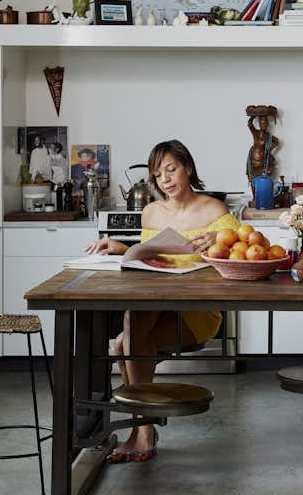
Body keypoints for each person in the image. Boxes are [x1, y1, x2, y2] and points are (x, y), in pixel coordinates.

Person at [84, 139, 239, 463]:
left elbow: (240, 252)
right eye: (158, 174)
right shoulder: (151, 212)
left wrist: (220, 240)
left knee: (124, 342)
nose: (165, 179)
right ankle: (143, 430)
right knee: (129, 332)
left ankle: (141, 431)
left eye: (171, 169)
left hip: (196, 310)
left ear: (188, 168)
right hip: (156, 302)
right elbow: (151, 260)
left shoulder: (214, 209)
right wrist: (120, 247)